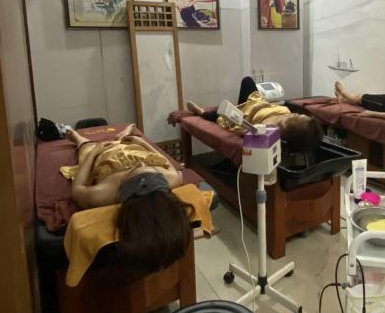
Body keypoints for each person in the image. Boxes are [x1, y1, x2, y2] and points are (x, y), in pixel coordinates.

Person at [62, 123, 192, 272]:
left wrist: (94, 153)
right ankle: (125, 134)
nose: (140, 165)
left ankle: (77, 138)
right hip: (136, 151)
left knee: (86, 147)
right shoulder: (169, 178)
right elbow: (165, 163)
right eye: (147, 169)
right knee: (126, 142)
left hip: (105, 158)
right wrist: (143, 143)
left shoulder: (105, 193)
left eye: (139, 169)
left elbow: (77, 189)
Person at [187, 76, 323, 159]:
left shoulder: (270, 130)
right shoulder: (288, 116)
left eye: (300, 117)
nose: (299, 114)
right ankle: (236, 106)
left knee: (222, 114)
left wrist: (244, 128)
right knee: (248, 81)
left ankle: (202, 113)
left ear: (292, 129)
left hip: (247, 112)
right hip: (257, 101)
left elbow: (245, 131)